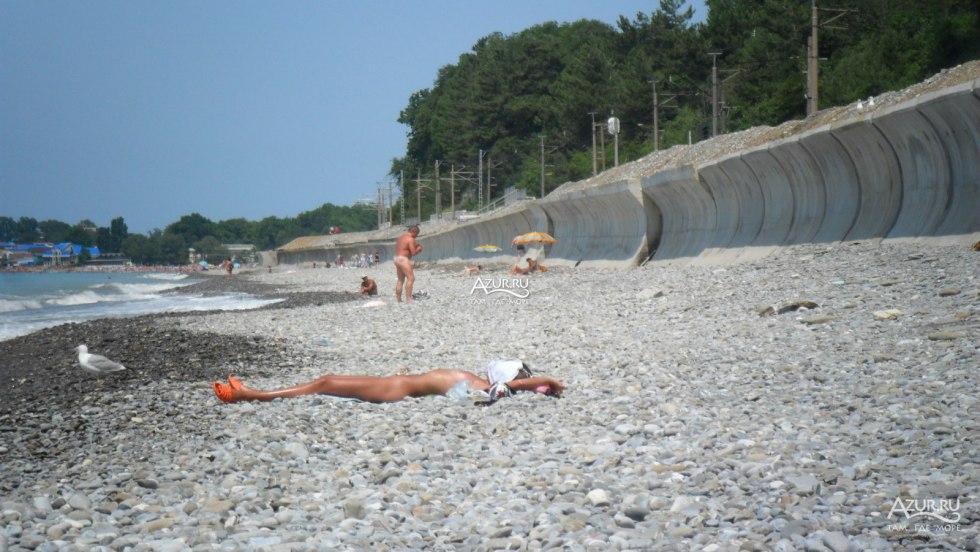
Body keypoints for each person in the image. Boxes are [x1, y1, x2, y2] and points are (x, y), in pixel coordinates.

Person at [212, 360, 564, 404]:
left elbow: (500, 391)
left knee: (326, 381)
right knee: (327, 380)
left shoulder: (480, 386)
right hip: (395, 383)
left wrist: (544, 381)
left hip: (395, 390)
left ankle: (251, 394)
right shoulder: (474, 379)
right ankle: (252, 393)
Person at [394, 225, 423, 303]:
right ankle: (409, 299)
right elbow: (413, 252)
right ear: (414, 231)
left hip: (396, 258)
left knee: (400, 280)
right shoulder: (410, 239)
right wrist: (419, 249)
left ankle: (399, 300)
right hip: (403, 259)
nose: (417, 236)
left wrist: (415, 247)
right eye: (417, 234)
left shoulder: (401, 238)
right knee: (411, 278)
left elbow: (405, 248)